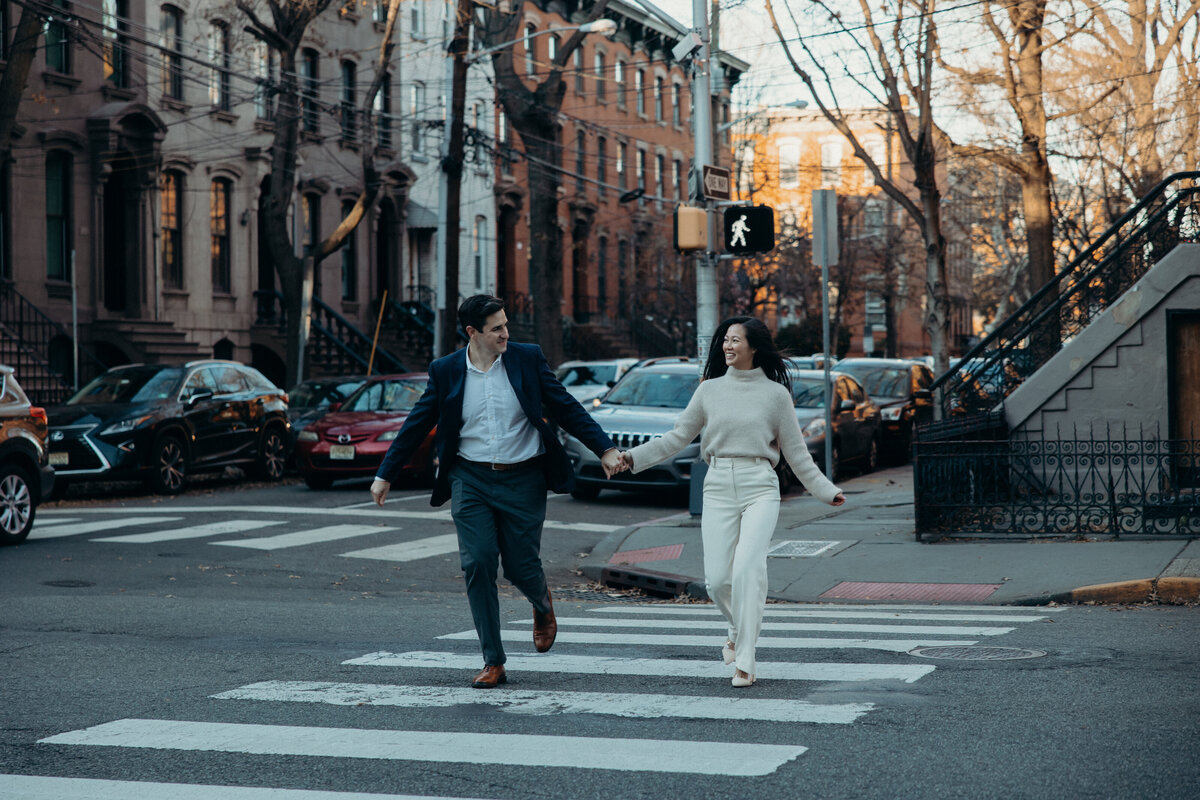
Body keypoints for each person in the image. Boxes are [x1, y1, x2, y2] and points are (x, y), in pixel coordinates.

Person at [370, 295, 626, 689]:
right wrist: (386, 472)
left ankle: (542, 604)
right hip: (470, 478)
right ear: (473, 333)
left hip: (523, 478)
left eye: (506, 325)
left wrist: (605, 448)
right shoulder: (447, 370)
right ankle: (494, 660)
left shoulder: (526, 358)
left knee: (521, 566)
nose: (506, 333)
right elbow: (418, 422)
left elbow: (565, 405)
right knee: (478, 562)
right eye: (497, 328)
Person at [618, 317, 845, 687]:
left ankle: (746, 660)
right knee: (718, 580)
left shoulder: (776, 395)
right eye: (725, 340)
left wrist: (825, 490)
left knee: (747, 570)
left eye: (735, 340)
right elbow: (677, 437)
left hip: (760, 486)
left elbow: (798, 455)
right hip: (719, 485)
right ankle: (737, 630)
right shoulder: (709, 391)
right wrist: (634, 458)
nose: (727, 346)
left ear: (754, 347)